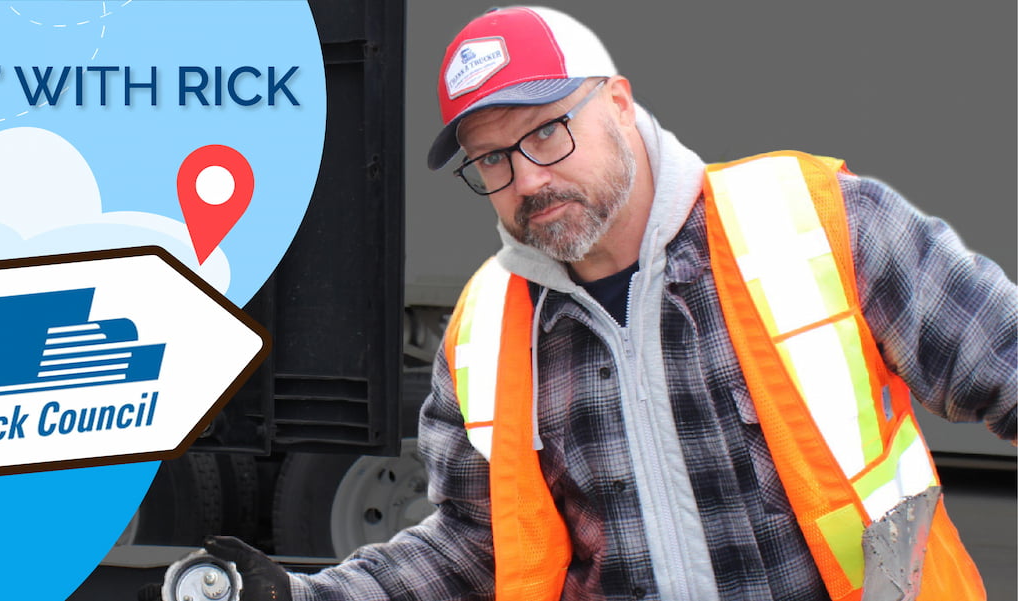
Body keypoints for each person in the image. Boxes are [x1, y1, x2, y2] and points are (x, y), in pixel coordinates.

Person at [141, 6, 1015, 601]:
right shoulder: (486, 332)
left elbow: (1004, 360)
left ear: (619, 104)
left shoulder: (819, 223)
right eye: (491, 161)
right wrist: (303, 595)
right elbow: (470, 548)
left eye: (546, 131)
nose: (527, 177)